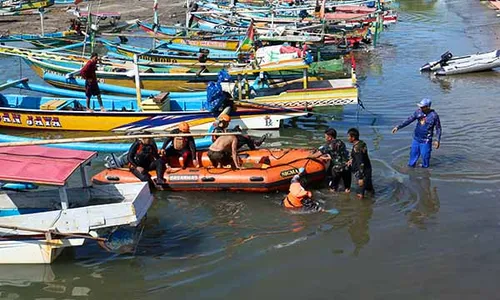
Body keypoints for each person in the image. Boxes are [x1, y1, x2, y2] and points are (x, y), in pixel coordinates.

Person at [392, 98, 442, 168]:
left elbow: (438, 128)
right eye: (420, 106)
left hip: (426, 140)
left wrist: (437, 140)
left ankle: (425, 172)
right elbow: (409, 120)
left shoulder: (434, 116)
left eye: (422, 107)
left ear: (427, 107)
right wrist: (398, 127)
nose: (420, 108)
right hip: (416, 139)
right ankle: (411, 171)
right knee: (413, 156)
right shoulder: (418, 112)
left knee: (425, 157)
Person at [309, 128, 351, 192]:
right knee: (347, 189)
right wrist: (328, 158)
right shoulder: (341, 142)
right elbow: (339, 155)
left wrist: (308, 156)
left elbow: (316, 155)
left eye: (325, 137)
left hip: (337, 169)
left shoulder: (329, 145)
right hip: (347, 167)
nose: (325, 138)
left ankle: (332, 200)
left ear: (330, 137)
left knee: (333, 189)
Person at [347, 128, 374, 199]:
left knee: (360, 195)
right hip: (368, 168)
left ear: (353, 137)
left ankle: (362, 207)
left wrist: (361, 178)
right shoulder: (362, 143)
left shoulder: (357, 148)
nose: (348, 138)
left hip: (361, 171)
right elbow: (361, 157)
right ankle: (372, 202)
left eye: (348, 136)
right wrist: (352, 160)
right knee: (369, 189)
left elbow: (360, 162)